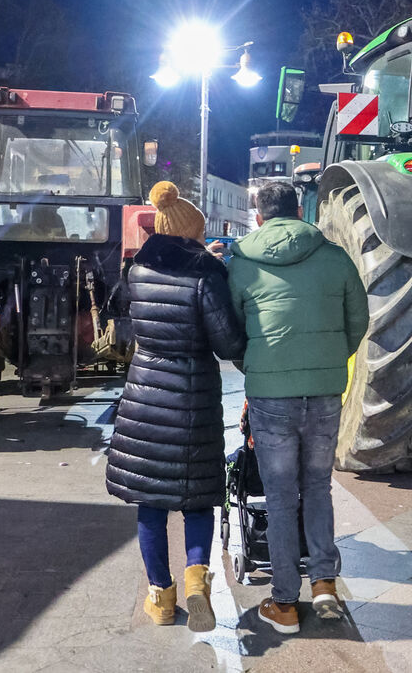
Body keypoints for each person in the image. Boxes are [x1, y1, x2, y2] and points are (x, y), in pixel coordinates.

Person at [228, 181, 368, 634]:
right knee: (319, 488)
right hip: (325, 391)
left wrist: (255, 364)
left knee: (282, 498)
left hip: (270, 397)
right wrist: (328, 360)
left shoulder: (242, 263)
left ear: (259, 215)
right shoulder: (334, 256)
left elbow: (232, 330)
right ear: (301, 209)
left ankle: (285, 603)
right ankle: (324, 586)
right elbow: (357, 322)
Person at [106, 181, 245, 631]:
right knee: (197, 499)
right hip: (192, 401)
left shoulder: (136, 272)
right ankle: (197, 583)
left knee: (150, 503)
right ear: (192, 233)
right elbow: (227, 344)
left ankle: (161, 600)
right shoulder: (205, 276)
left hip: (144, 396)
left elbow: (128, 326)